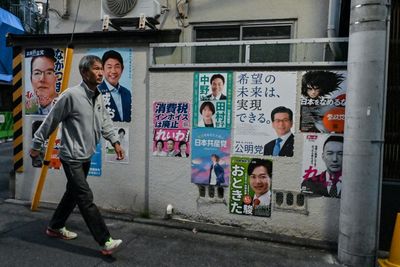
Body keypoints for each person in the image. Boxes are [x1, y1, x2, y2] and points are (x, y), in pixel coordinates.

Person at [29, 55, 124, 255]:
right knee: (84, 196)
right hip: (71, 157)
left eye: (101, 69)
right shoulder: (70, 96)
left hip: (86, 155)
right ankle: (105, 241)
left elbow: (105, 121)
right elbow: (51, 121)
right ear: (84, 72)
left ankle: (54, 227)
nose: (100, 73)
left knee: (72, 193)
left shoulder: (97, 95)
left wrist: (115, 142)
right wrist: (36, 145)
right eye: (96, 69)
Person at [98, 50, 132, 122]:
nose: (113, 71)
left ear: (122, 69)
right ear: (103, 70)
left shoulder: (127, 93)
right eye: (109, 67)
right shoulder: (96, 92)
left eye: (117, 67)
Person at [30, 48, 58, 115]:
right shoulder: (32, 114)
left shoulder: (65, 112)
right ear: (31, 79)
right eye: (37, 73)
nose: (42, 79)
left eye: (49, 73)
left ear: (58, 78)